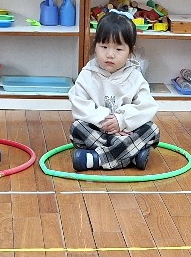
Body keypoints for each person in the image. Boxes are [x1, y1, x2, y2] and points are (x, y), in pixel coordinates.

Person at [68, 11, 160, 171]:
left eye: (118, 49)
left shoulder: (135, 75)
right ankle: (131, 155)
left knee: (152, 130)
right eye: (104, 47)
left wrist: (122, 120)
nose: (110, 54)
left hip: (127, 130)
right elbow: (80, 106)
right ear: (95, 45)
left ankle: (96, 159)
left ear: (130, 51)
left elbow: (146, 106)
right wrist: (106, 122)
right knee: (77, 128)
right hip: (99, 130)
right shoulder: (87, 74)